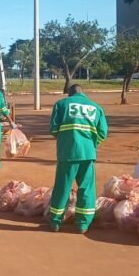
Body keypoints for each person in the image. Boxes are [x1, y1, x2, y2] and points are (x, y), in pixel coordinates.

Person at [48, 84, 108, 233]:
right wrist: (90, 144)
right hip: (88, 153)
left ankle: (55, 222)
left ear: (69, 93)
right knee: (86, 188)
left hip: (67, 152)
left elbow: (54, 129)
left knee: (63, 187)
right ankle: (83, 224)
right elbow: (102, 133)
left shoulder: (61, 104)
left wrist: (64, 140)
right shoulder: (96, 107)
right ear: (83, 93)